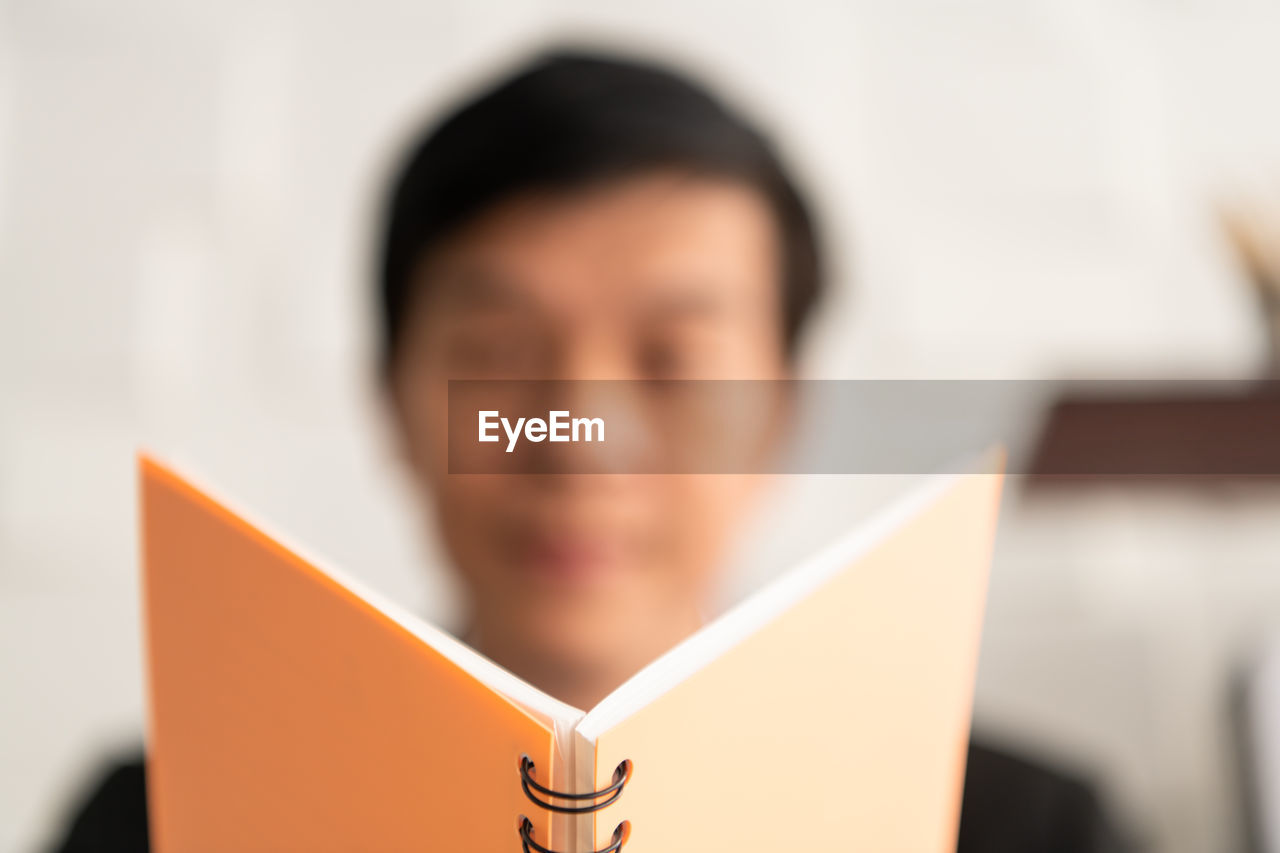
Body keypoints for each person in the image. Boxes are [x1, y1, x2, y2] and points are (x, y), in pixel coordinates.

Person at [49, 49, 1125, 852]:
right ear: (392, 398)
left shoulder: (1022, 828)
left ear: (780, 410)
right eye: (498, 354)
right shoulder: (160, 821)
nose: (581, 437)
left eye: (672, 359)